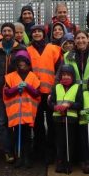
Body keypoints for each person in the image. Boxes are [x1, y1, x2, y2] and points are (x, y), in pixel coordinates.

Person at [0, 22, 26, 162]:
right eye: (5, 31)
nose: (7, 33)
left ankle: (18, 150)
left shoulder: (21, 48)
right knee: (2, 122)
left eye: (10, 31)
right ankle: (7, 151)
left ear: (14, 33)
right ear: (1, 33)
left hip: (16, 91)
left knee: (15, 122)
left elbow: (26, 69)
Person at [26, 25, 63, 164]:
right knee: (37, 124)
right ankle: (38, 151)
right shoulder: (27, 50)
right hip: (34, 93)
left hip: (50, 94)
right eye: (34, 31)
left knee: (52, 124)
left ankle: (51, 151)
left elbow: (59, 71)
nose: (36, 33)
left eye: (39, 31)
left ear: (44, 34)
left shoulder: (54, 49)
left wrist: (55, 90)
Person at [2, 50, 42, 168]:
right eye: (19, 61)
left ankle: (27, 158)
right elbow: (7, 93)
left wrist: (28, 87)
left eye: (23, 61)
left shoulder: (33, 77)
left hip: (28, 113)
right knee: (16, 136)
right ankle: (18, 157)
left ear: (28, 62)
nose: (21, 63)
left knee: (27, 136)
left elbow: (37, 93)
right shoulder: (10, 77)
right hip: (16, 113)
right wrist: (16, 89)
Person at [48, 64, 82, 173]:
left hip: (71, 119)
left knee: (70, 142)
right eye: (64, 75)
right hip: (58, 118)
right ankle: (60, 162)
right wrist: (54, 107)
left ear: (72, 76)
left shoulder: (77, 87)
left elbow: (80, 104)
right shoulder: (56, 87)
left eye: (68, 75)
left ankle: (68, 163)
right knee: (60, 141)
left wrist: (69, 105)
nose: (66, 77)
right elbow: (51, 101)